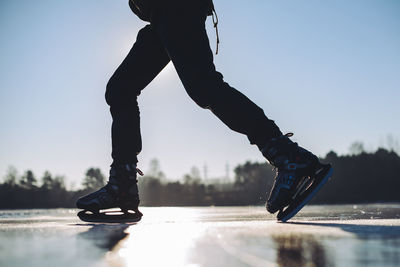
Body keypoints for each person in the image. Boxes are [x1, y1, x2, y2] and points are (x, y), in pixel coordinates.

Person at [76, 0, 332, 219]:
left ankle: (289, 156)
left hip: (176, 8)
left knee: (204, 87)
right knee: (121, 89)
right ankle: (122, 182)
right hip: (160, 16)